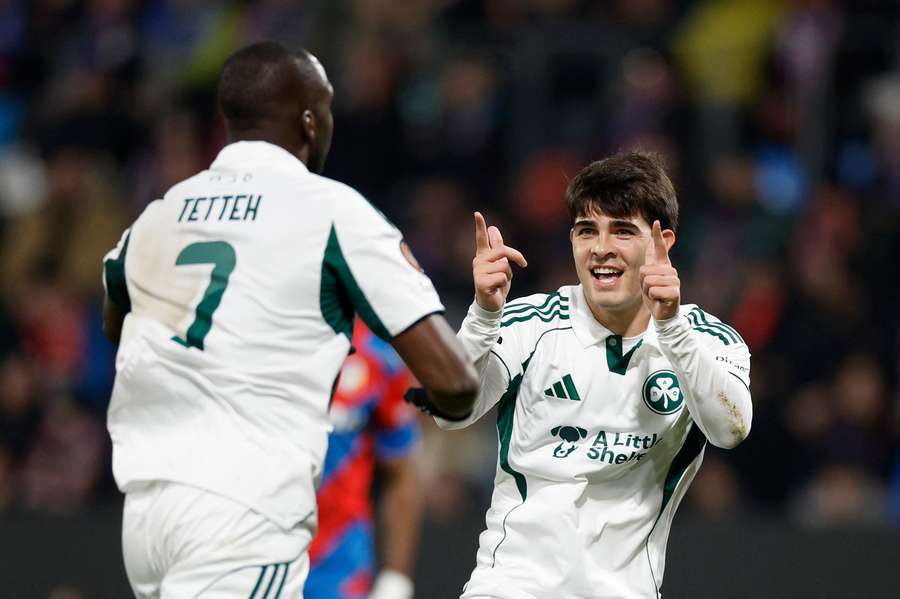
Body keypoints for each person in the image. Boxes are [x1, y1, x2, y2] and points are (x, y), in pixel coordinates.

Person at [101, 41, 477, 599]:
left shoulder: (158, 215)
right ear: (309, 120)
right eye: (327, 110)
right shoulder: (331, 210)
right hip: (243, 514)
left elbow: (118, 324)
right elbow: (455, 382)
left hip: (147, 517)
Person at [438, 151, 752, 598]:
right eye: (587, 230)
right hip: (513, 585)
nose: (601, 247)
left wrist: (672, 330)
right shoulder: (531, 323)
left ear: (661, 242)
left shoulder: (705, 339)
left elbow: (731, 429)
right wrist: (484, 317)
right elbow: (450, 413)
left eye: (622, 230)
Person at [305, 320, 422, 599]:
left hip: (337, 566)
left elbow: (401, 471)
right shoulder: (257, 335)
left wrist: (395, 580)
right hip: (251, 548)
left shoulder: (378, 355)